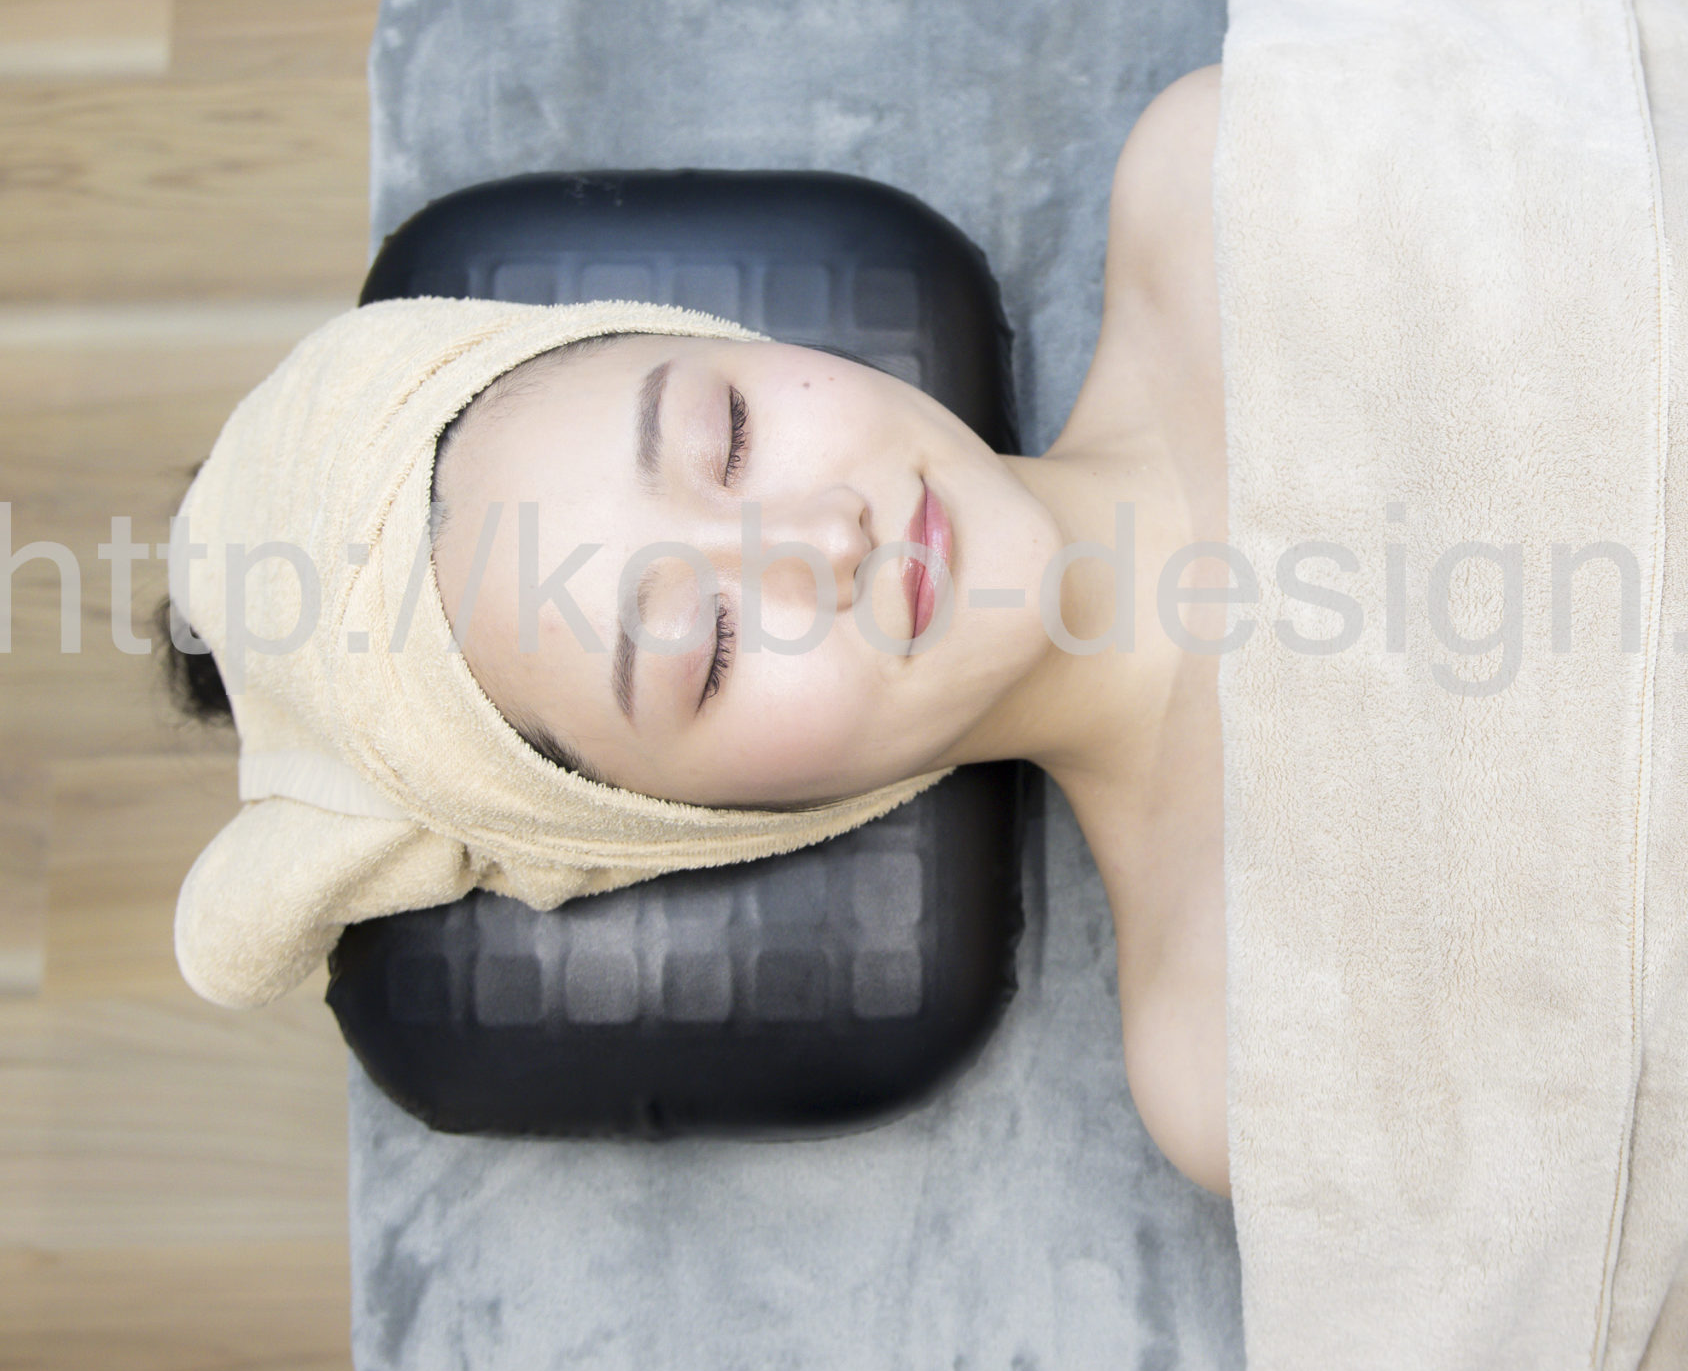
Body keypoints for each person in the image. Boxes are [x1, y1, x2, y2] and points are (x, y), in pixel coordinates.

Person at [166, 65, 1233, 1197]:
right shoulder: (1223, 1049)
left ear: (731, 339)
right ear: (693, 825)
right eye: (709, 650)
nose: (823, 540)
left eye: (725, 434)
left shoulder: (1209, 176)